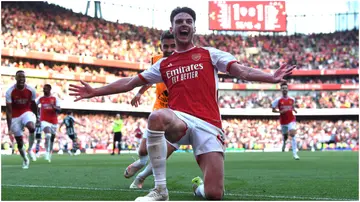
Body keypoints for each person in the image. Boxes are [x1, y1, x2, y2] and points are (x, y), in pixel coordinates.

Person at [69, 7, 295, 201]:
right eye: (179, 21)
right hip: (180, 120)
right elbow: (130, 82)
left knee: (214, 193)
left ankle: (198, 187)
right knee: (157, 117)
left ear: (194, 28)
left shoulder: (210, 54)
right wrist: (95, 91)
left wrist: (270, 77)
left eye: (188, 21)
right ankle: (160, 189)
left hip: (209, 124)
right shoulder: (164, 64)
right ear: (173, 27)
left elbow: (241, 71)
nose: (184, 24)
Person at [124, 30, 179, 189]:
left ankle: (140, 178)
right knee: (143, 150)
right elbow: (150, 78)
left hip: (178, 114)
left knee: (162, 154)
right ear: (161, 46)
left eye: (173, 46)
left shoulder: (186, 61)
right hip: (159, 109)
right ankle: (140, 162)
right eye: (165, 46)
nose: (169, 50)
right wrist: (140, 92)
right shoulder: (157, 60)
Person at [6, 70, 38, 169]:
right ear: (15, 78)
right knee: (19, 143)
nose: (21, 79)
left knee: (31, 128)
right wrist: (9, 128)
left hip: (26, 112)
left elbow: (33, 105)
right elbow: (9, 111)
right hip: (15, 116)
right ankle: (25, 159)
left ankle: (30, 149)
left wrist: (37, 117)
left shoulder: (31, 90)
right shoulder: (10, 92)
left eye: (23, 77)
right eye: (19, 77)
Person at [271, 82, 300, 160]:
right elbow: (273, 110)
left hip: (291, 119)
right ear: (281, 90)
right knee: (285, 135)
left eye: (285, 88)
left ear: (287, 89)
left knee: (293, 134)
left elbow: (292, 107)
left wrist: (294, 110)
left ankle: (295, 154)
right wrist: (280, 112)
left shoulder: (292, 99)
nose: (284, 89)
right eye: (283, 88)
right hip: (283, 121)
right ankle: (284, 142)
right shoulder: (278, 100)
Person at [35, 84, 61, 162]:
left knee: (52, 138)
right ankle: (46, 152)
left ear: (50, 89)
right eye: (44, 89)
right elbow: (34, 106)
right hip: (44, 120)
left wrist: (54, 107)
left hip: (53, 121)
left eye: (46, 89)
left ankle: (49, 152)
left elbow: (59, 109)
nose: (44, 90)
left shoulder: (55, 98)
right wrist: (37, 116)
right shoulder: (40, 98)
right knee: (48, 135)